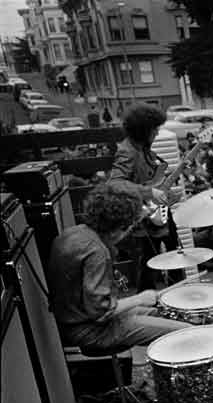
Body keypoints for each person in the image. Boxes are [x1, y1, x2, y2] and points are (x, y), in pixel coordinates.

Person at [47, 184, 190, 355]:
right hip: (90, 330)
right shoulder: (97, 252)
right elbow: (102, 312)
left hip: (73, 319)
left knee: (163, 314)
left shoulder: (72, 233)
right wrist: (140, 298)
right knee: (187, 331)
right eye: (128, 228)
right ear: (119, 228)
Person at [108, 103, 178, 290]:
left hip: (159, 215)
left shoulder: (145, 150)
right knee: (147, 269)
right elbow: (115, 183)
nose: (156, 134)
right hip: (142, 220)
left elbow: (152, 182)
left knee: (177, 258)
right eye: (154, 130)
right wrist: (149, 193)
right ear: (142, 130)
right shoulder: (127, 151)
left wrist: (166, 193)